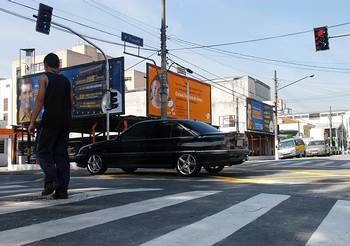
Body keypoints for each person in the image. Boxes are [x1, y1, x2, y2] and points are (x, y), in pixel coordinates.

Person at [28, 53, 74, 199]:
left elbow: (40, 101)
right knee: (61, 155)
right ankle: (62, 191)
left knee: (41, 151)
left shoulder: (44, 78)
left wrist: (32, 122)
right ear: (58, 66)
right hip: (65, 122)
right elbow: (72, 102)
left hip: (50, 121)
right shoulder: (66, 81)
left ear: (45, 65)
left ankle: (51, 180)